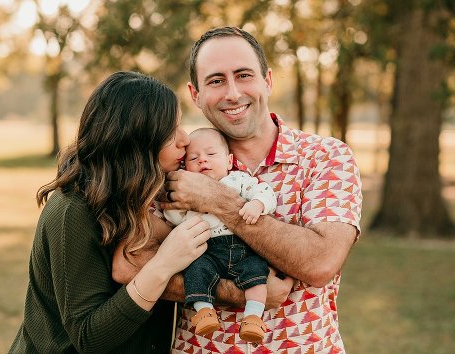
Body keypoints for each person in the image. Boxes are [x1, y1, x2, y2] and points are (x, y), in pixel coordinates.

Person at [113, 26, 362, 352]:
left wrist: (215, 199)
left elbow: (320, 263)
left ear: (267, 81)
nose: (232, 93)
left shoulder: (326, 157)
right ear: (195, 94)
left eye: (244, 75)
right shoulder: (175, 163)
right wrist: (238, 292)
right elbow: (130, 263)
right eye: (216, 81)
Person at [9, 71, 212, 353]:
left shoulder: (147, 195)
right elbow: (88, 338)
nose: (185, 139)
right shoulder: (73, 211)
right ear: (135, 141)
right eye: (170, 131)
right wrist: (164, 263)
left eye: (180, 125)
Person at [162, 127, 276, 342]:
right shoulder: (188, 190)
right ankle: (204, 312)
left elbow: (264, 192)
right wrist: (174, 203)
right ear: (185, 167)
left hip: (242, 247)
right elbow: (174, 216)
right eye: (194, 158)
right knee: (196, 271)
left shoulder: (239, 180)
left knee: (257, 273)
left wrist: (258, 204)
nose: (203, 160)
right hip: (208, 251)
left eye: (211, 154)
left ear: (229, 160)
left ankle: (253, 318)